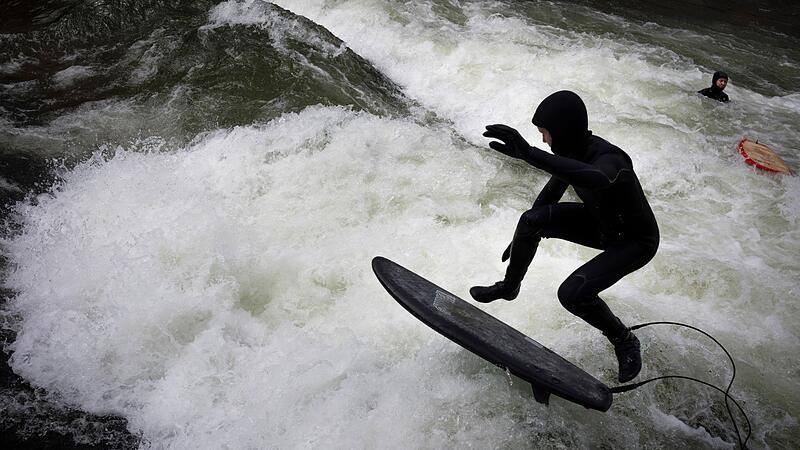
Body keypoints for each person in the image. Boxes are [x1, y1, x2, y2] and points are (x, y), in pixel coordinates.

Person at [471, 90, 659, 383]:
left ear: (563, 130)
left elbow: (595, 177)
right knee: (530, 221)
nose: (544, 140)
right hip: (602, 225)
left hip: (635, 241)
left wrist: (529, 154)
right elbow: (550, 194)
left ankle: (624, 340)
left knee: (572, 294)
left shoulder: (610, 158)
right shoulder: (572, 152)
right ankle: (509, 287)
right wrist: (521, 237)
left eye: (545, 133)